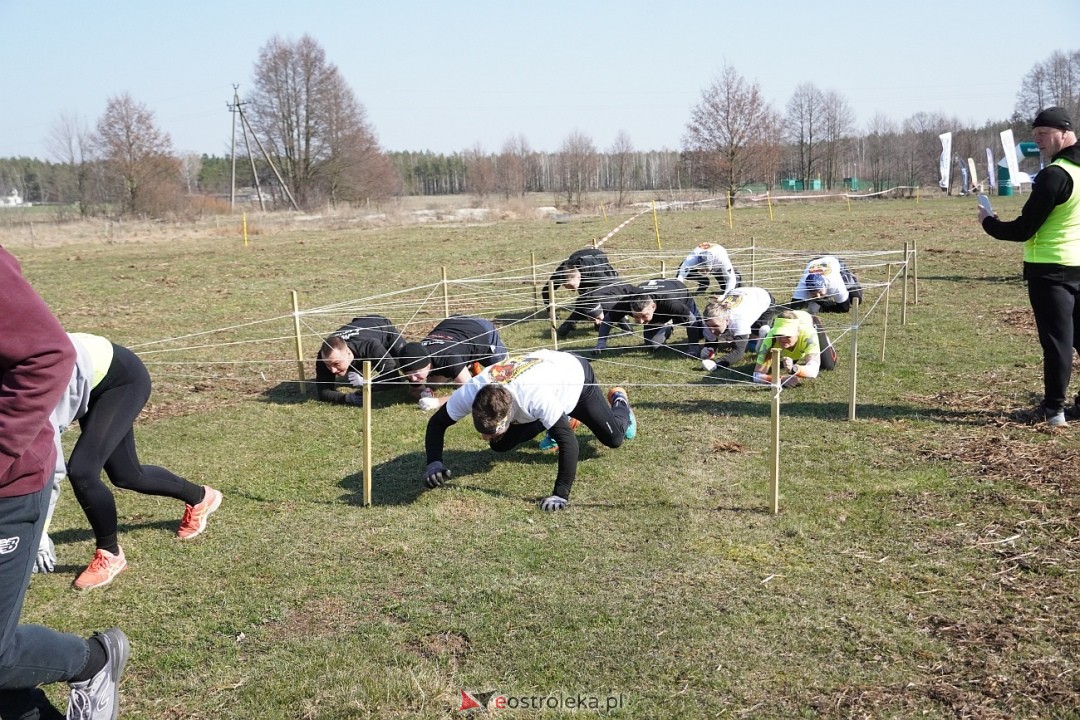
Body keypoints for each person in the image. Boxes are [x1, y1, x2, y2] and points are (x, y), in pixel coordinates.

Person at [0, 246, 129, 720]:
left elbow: (46, 355)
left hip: (10, 487)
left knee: (104, 472)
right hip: (81, 393)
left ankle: (94, 661)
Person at [62, 332, 223, 591]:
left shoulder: (29, 364)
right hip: (91, 385)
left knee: (82, 471)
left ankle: (110, 554)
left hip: (122, 380)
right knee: (127, 474)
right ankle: (201, 497)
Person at [421, 349, 636, 511]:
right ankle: (555, 420)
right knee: (500, 444)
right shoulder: (472, 391)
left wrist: (560, 494)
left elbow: (569, 444)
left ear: (508, 416)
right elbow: (437, 423)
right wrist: (434, 462)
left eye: (490, 431)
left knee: (615, 438)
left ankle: (620, 400)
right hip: (542, 378)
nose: (483, 437)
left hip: (574, 378)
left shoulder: (535, 397)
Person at [979, 106, 1080, 427]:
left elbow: (1024, 229)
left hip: (1050, 270)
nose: (1037, 140)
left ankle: (1054, 412)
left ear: (1064, 132)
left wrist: (989, 223)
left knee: (1057, 343)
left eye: (1043, 134)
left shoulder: (1055, 175)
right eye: (1034, 135)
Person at [399, 316, 509, 407]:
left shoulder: (449, 358)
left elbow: (470, 394)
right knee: (432, 385)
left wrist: (437, 402)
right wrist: (424, 393)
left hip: (481, 330)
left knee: (504, 376)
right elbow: (414, 390)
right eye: (408, 375)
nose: (413, 379)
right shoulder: (414, 358)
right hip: (452, 324)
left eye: (416, 373)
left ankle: (470, 362)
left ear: (428, 365)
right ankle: (467, 365)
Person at [314, 315, 407, 406]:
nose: (333, 370)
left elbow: (394, 378)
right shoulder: (326, 356)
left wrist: (367, 383)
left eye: (336, 364)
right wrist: (347, 398)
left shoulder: (370, 346)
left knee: (408, 365)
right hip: (359, 324)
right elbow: (323, 392)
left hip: (381, 326)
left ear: (348, 353)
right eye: (328, 365)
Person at [594, 278, 703, 353]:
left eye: (644, 316)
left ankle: (673, 321)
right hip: (659, 309)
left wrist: (693, 347)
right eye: (636, 316)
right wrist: (601, 342)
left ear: (653, 307)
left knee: (700, 332)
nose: (640, 322)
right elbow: (608, 319)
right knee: (653, 345)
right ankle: (667, 325)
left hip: (680, 293)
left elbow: (691, 320)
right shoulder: (627, 301)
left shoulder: (671, 303)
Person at [540, 247, 621, 338]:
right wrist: (551, 314)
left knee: (598, 296)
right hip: (577, 261)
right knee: (586, 297)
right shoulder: (562, 274)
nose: (571, 290)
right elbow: (546, 291)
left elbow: (611, 290)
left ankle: (620, 322)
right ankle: (577, 322)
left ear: (578, 278)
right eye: (566, 286)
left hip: (596, 258)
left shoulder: (597, 272)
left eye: (571, 286)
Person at [699, 287, 779, 371]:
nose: (711, 330)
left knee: (753, 342)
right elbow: (712, 341)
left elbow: (739, 353)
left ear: (726, 320)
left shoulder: (739, 321)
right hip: (740, 293)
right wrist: (709, 349)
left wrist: (716, 363)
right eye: (709, 326)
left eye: (715, 326)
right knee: (737, 338)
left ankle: (766, 333)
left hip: (762, 297)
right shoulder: (710, 322)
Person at [751, 309, 837, 387]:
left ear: (798, 332)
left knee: (828, 365)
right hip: (789, 328)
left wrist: (794, 368)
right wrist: (781, 380)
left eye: (788, 335)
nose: (783, 339)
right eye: (779, 334)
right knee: (768, 357)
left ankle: (825, 340)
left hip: (810, 322)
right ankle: (765, 333)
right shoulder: (772, 337)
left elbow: (813, 371)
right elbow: (757, 375)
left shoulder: (808, 335)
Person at [788, 255, 862, 314]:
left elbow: (844, 308)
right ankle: (823, 297)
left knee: (856, 299)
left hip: (833, 261)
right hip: (814, 262)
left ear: (825, 286)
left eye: (819, 292)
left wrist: (823, 308)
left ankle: (852, 279)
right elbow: (794, 308)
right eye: (813, 293)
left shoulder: (835, 284)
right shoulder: (803, 285)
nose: (818, 296)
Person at [676, 241, 741, 296]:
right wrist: (678, 292)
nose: (704, 271)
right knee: (681, 270)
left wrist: (725, 296)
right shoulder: (692, 258)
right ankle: (704, 282)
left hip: (717, 266)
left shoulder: (722, 259)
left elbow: (731, 278)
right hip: (704, 263)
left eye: (706, 269)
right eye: (702, 268)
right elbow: (681, 274)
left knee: (728, 288)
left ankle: (737, 278)